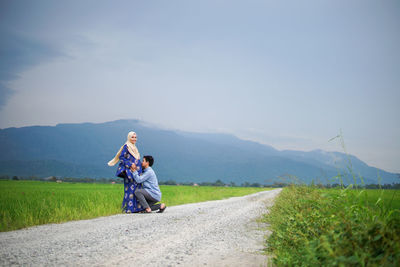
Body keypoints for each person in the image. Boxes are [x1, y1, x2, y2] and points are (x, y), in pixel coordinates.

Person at [108, 131, 144, 213]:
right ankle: (129, 209)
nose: (134, 139)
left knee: (137, 189)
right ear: (129, 137)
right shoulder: (126, 146)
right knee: (130, 190)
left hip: (137, 173)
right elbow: (121, 157)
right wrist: (130, 164)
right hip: (130, 172)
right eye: (132, 137)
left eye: (135, 137)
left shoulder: (135, 148)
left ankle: (138, 208)